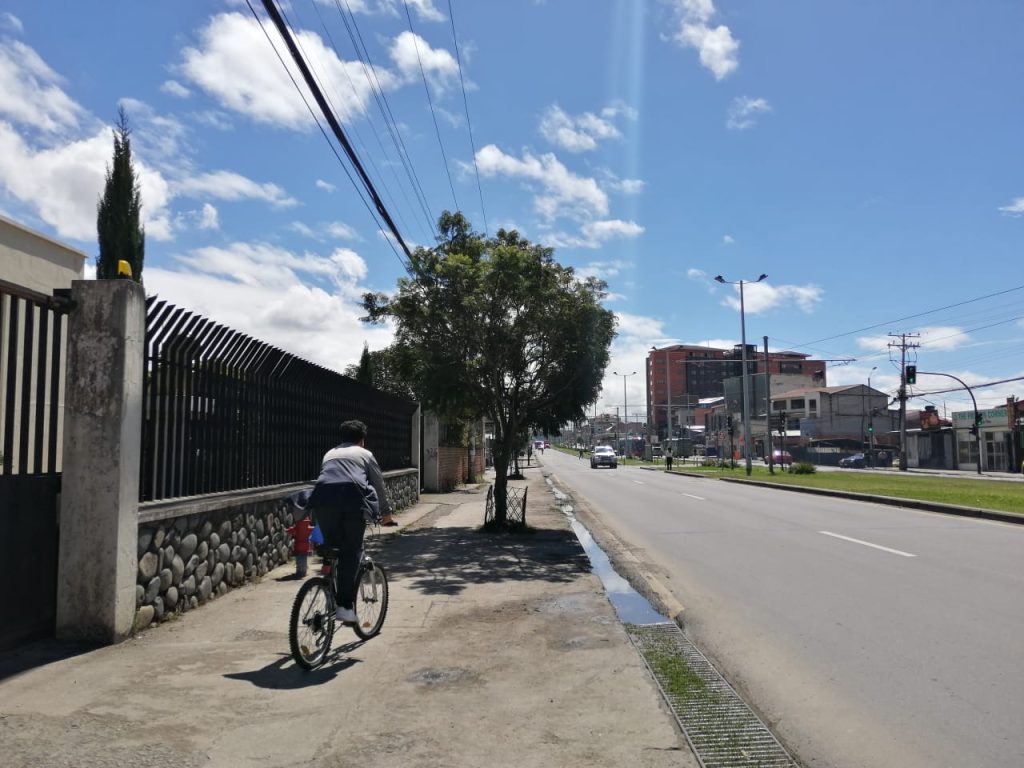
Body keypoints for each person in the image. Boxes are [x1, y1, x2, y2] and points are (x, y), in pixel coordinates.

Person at [307, 420, 392, 624]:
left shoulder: (330, 454)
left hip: (322, 500)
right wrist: (386, 513)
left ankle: (327, 579)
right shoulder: (365, 454)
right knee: (351, 550)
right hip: (353, 501)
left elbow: (327, 479)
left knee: (331, 545)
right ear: (362, 439)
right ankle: (344, 606)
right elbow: (378, 485)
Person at [286, 512, 315, 578]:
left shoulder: (298, 526)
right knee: (304, 559)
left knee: (299, 559)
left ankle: (299, 572)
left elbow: (291, 530)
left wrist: (286, 530)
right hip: (306, 545)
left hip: (298, 545)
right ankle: (303, 572)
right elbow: (314, 529)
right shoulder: (309, 527)